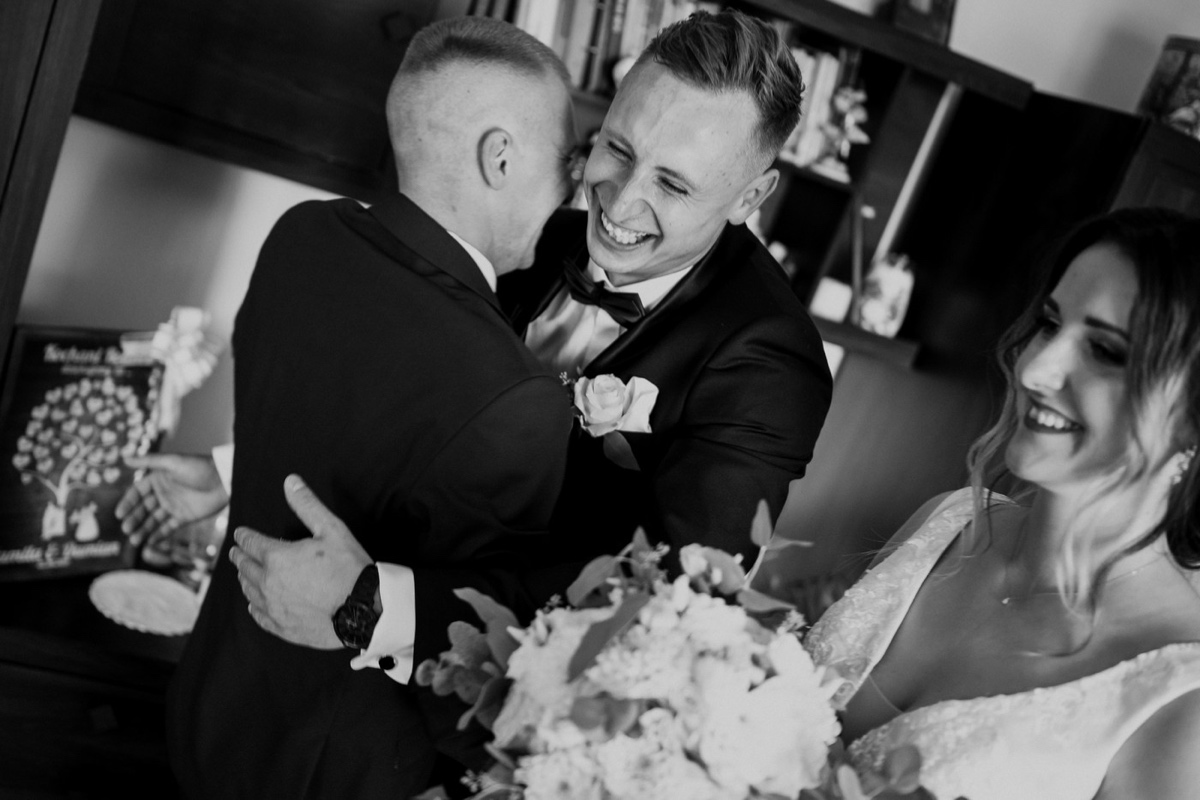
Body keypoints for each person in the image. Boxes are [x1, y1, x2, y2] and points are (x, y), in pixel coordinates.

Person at [164, 18, 578, 800]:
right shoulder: (512, 395)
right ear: (500, 157)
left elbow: (330, 427)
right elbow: (473, 661)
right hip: (330, 773)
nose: (571, 192)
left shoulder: (301, 236)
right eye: (567, 161)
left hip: (211, 708)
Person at [805, 208, 1200, 799]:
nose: (1035, 369)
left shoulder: (1180, 702)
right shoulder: (947, 523)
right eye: (1050, 323)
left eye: (1105, 350)